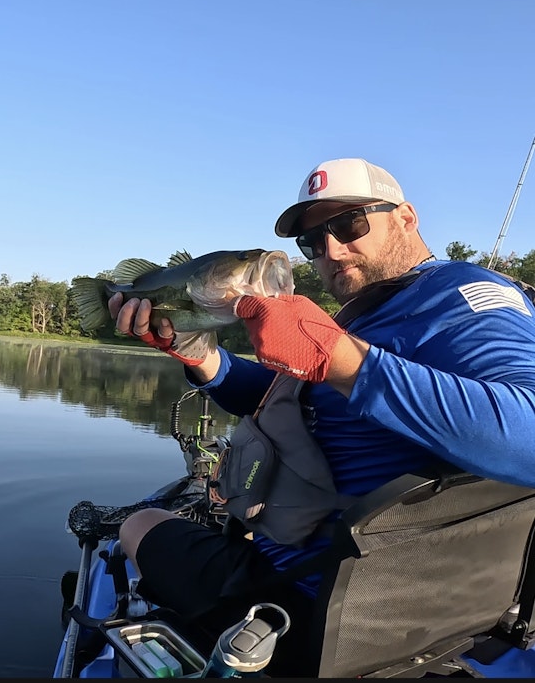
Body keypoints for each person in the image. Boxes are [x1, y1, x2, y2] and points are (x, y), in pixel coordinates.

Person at [109, 157, 535, 677]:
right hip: (391, 611)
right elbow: (291, 401)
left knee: (140, 525)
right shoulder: (372, 313)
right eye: (312, 241)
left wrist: (340, 358)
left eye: (349, 224)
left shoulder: (459, 297)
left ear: (405, 217)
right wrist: (201, 356)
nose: (330, 250)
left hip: (313, 608)